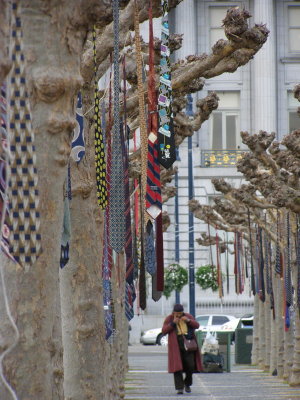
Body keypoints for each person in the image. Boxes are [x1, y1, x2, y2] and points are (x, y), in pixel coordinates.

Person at [162, 304, 202, 395]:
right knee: (177, 367)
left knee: (191, 365)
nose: (179, 315)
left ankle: (187, 383)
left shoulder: (188, 316)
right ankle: (179, 387)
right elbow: (164, 330)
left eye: (180, 313)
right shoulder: (169, 318)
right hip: (176, 344)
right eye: (177, 313)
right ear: (173, 312)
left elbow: (197, 325)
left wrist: (188, 321)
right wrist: (173, 323)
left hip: (188, 342)